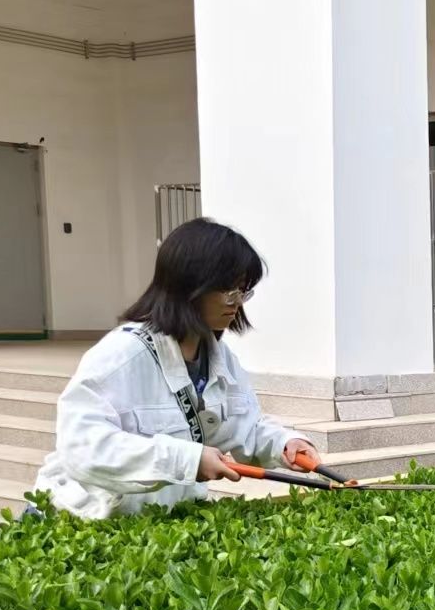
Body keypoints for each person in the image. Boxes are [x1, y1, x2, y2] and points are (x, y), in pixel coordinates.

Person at [33, 218, 321, 519]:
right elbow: (83, 449)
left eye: (243, 291)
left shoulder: (219, 357)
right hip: (81, 519)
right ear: (190, 285)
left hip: (151, 525)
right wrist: (187, 460)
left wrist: (285, 443)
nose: (236, 303)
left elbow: (245, 426)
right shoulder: (120, 357)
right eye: (227, 290)